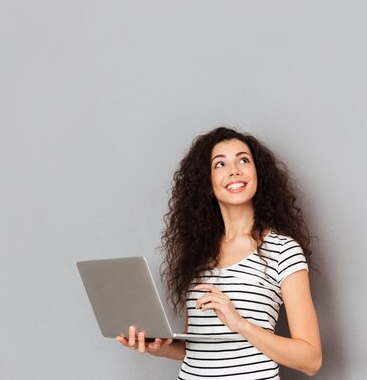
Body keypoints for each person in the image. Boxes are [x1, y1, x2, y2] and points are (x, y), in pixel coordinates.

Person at [116, 127, 322, 379]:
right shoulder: (198, 254)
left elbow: (310, 360)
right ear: (207, 181)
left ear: (258, 172)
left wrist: (241, 324)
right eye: (220, 164)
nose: (234, 170)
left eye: (243, 160)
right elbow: (197, 348)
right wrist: (158, 348)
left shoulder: (283, 250)